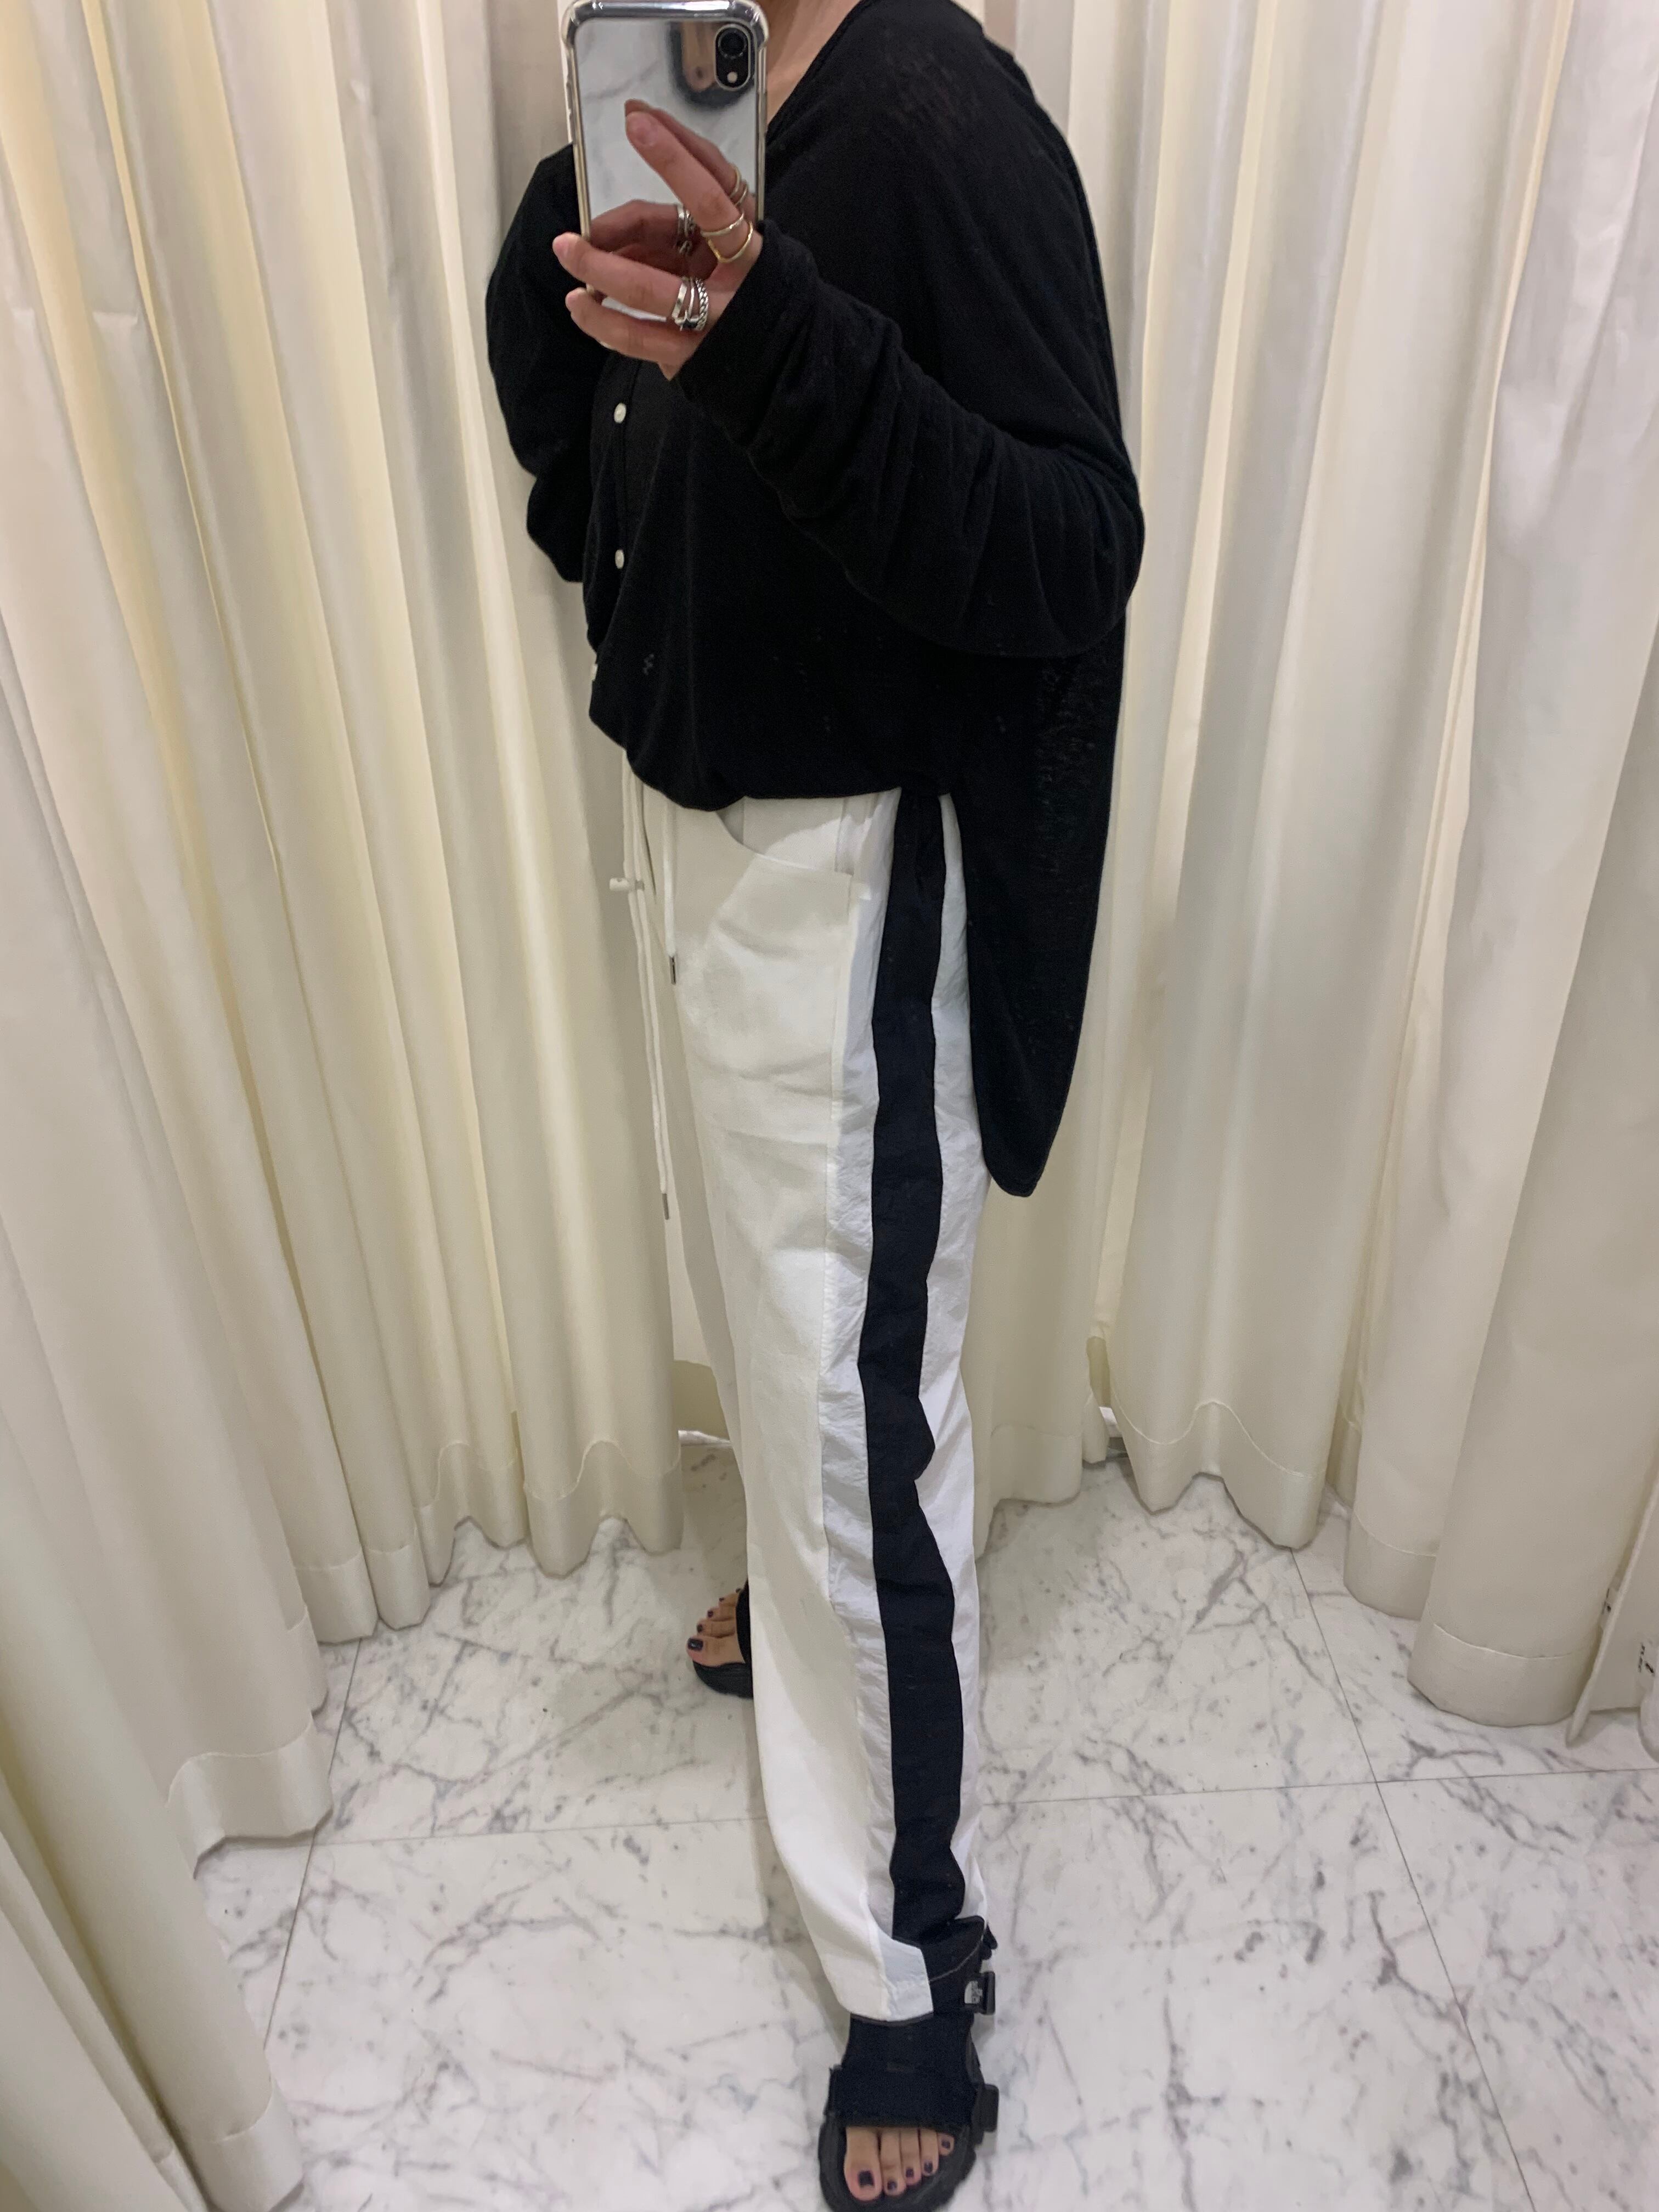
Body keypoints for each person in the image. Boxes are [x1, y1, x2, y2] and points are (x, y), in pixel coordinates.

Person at [486, 0, 1142, 2200]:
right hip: (714, 827)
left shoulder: (940, 118)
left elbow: (1073, 546)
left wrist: (768, 335)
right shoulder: (705, 87)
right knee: (772, 1320)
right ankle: (801, 1603)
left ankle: (910, 1971)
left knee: (862, 1413)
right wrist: (580, 275)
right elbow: (618, 430)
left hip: (857, 864)